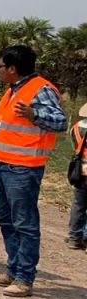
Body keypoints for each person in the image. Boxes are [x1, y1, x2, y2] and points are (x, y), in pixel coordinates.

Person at [0, 45, 68, 297]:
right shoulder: (13, 91)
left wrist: (34, 114)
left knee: (25, 224)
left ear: (12, 68)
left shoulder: (41, 89)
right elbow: (3, 124)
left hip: (23, 169)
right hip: (1, 165)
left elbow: (60, 121)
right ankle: (13, 270)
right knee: (6, 221)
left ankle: (24, 278)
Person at [67, 103, 87, 250]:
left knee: (79, 205)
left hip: (80, 170)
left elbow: (76, 148)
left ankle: (74, 237)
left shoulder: (75, 127)